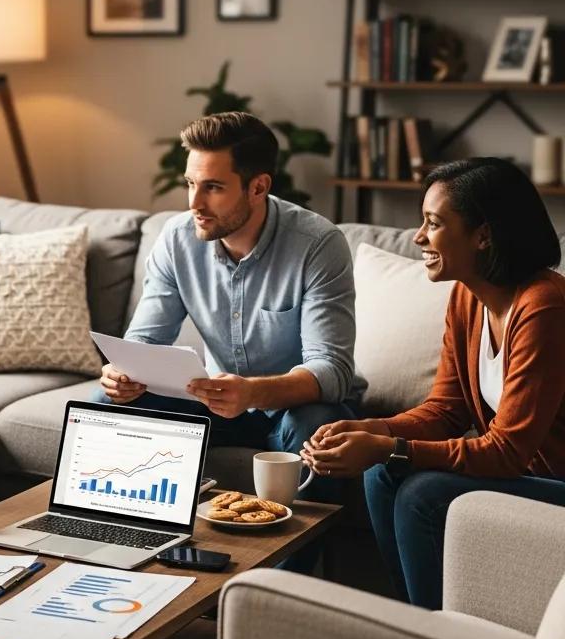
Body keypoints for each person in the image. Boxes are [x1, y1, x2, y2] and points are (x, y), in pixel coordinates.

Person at [100, 112, 362, 572]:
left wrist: (252, 393)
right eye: (190, 184)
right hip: (216, 401)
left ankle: (286, 588)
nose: (194, 203)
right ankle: (129, 557)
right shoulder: (177, 239)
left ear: (258, 187)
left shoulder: (318, 244)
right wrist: (122, 374)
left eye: (213, 187)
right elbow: (144, 341)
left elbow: (332, 370)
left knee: (320, 429)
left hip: (293, 407)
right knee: (106, 406)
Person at [302, 158, 565, 610]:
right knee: (381, 473)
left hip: (554, 481)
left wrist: (389, 446)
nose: (418, 237)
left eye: (434, 223)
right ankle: (418, 621)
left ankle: (433, 634)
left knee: (422, 494)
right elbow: (446, 411)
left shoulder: (544, 306)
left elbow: (506, 452)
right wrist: (370, 431)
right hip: (526, 474)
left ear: (483, 235)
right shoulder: (468, 296)